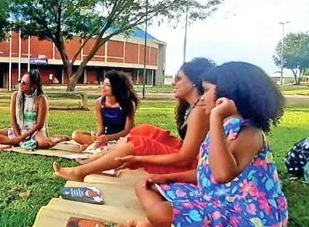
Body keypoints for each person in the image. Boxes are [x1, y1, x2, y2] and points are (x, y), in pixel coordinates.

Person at [129, 62, 288, 227]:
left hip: (246, 215)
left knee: (159, 213)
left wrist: (215, 117)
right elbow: (207, 172)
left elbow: (222, 175)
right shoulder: (224, 126)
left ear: (228, 97)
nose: (202, 98)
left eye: (206, 91)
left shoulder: (250, 134)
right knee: (144, 186)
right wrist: (169, 178)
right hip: (213, 198)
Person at [54, 58, 214, 181]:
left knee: (139, 143)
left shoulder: (200, 111)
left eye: (178, 78)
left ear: (193, 82)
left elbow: (185, 157)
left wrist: (138, 158)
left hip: (194, 165)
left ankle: (80, 172)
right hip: (184, 153)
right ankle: (95, 160)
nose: (173, 82)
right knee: (144, 130)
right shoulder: (192, 107)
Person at [0, 70, 70, 149]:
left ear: (33, 86)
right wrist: (18, 137)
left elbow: (39, 125)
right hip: (19, 130)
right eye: (20, 81)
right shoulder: (15, 96)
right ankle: (13, 142)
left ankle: (58, 138)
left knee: (44, 143)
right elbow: (13, 119)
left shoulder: (40, 99)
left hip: (34, 131)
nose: (21, 84)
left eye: (24, 83)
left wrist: (23, 137)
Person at [71, 70, 139, 147]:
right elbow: (101, 129)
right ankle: (102, 146)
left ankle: (106, 147)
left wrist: (109, 138)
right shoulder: (99, 102)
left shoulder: (129, 103)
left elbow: (127, 131)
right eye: (103, 83)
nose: (103, 87)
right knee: (76, 134)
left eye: (108, 85)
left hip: (123, 138)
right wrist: (97, 136)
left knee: (128, 143)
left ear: (116, 87)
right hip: (106, 137)